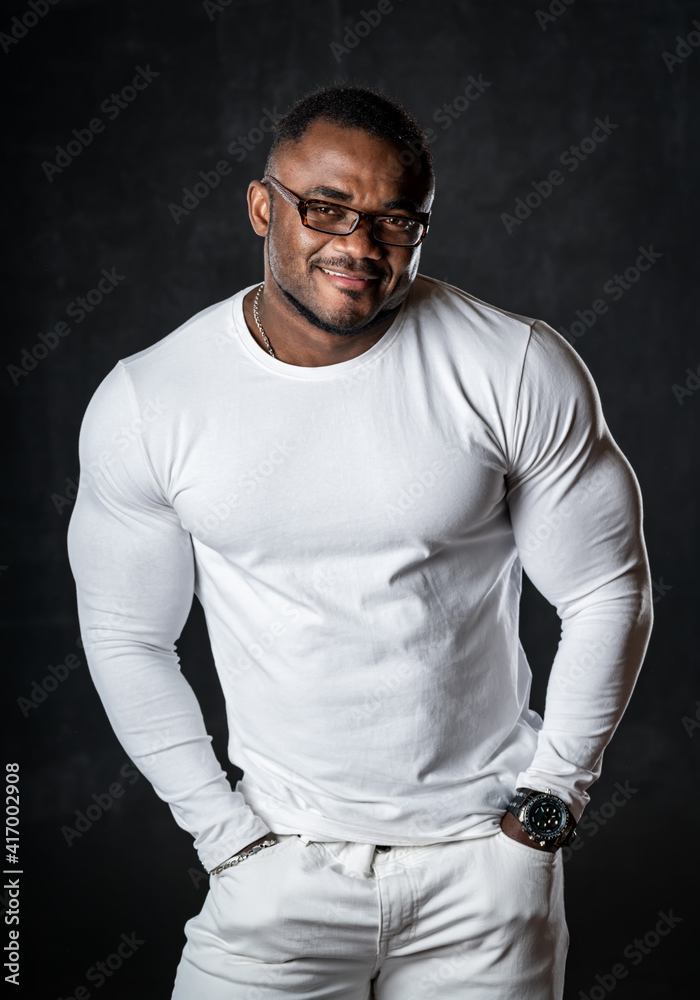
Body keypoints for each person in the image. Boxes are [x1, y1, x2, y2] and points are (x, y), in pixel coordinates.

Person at [67, 84, 653, 999]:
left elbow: (606, 590)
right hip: (277, 866)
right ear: (264, 206)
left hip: (484, 872)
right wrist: (222, 833)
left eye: (395, 222)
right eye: (326, 208)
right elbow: (125, 636)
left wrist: (549, 807)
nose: (359, 246)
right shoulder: (153, 400)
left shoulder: (515, 366)